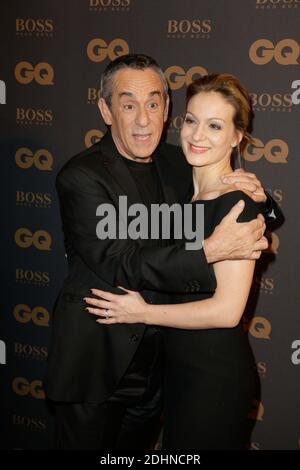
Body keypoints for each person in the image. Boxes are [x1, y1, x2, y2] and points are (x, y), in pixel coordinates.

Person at [45, 54, 275, 450]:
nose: (142, 120)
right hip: (99, 360)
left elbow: (225, 191)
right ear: (105, 109)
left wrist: (265, 202)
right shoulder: (82, 176)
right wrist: (209, 250)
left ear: (167, 109)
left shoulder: (177, 160)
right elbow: (121, 262)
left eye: (153, 104)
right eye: (128, 104)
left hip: (161, 366)